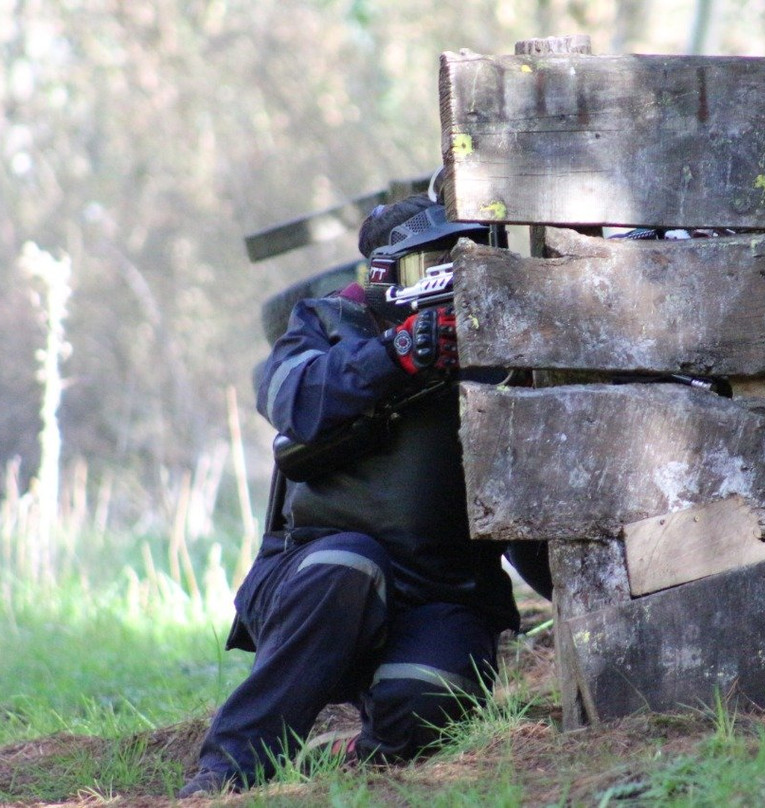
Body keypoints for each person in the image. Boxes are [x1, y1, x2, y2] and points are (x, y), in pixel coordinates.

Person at [179, 188, 534, 797]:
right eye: (434, 261)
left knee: (424, 703)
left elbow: (539, 492)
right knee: (348, 565)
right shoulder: (322, 321)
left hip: (442, 591)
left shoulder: (502, 342)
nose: (453, 273)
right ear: (382, 274)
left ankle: (349, 751)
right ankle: (227, 769)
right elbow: (295, 399)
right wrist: (397, 356)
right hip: (313, 575)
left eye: (465, 256)